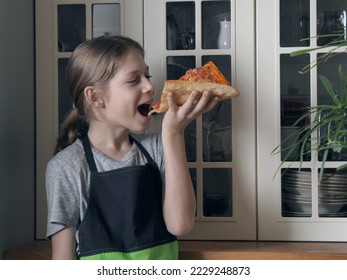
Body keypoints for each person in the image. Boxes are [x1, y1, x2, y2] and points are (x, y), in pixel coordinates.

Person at [45, 35, 219, 260]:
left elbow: (180, 225)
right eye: (133, 80)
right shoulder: (66, 166)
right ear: (95, 97)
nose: (150, 86)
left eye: (147, 76)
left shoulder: (159, 147)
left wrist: (173, 133)